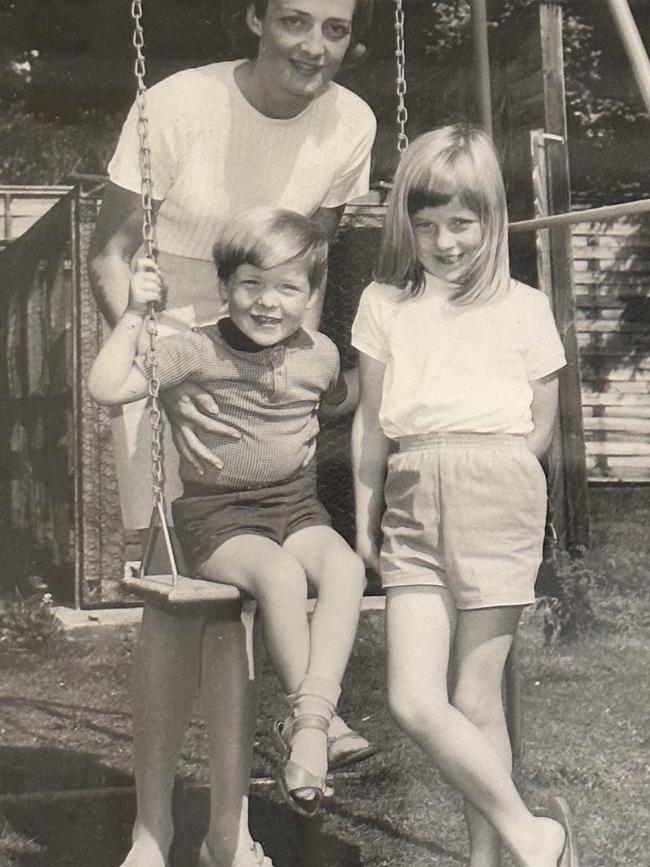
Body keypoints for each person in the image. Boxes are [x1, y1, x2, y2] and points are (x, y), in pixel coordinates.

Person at [87, 2, 376, 866]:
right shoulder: (176, 106)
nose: (313, 45)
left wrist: (282, 368)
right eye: (294, 21)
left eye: (333, 28)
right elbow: (112, 252)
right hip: (171, 341)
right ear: (254, 20)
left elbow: (311, 268)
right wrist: (167, 368)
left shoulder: (351, 122)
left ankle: (229, 829)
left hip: (266, 351)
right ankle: (151, 827)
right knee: (186, 604)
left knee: (262, 588)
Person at [351, 125, 579, 867]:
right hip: (411, 495)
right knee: (414, 698)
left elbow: (542, 422)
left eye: (461, 223)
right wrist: (364, 521)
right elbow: (370, 424)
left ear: (491, 219)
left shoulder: (523, 305)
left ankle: (490, 857)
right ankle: (535, 834)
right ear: (404, 225)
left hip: (496, 486)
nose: (445, 242)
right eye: (426, 226)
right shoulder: (385, 304)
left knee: (477, 693)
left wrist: (497, 481)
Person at [89, 207, 367, 815]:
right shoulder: (194, 350)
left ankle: (310, 722)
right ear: (224, 288)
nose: (269, 303)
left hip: (296, 507)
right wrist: (135, 314)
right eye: (251, 284)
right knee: (280, 576)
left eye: (289, 288)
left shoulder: (318, 355)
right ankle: (315, 727)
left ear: (312, 295)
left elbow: (346, 396)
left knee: (347, 569)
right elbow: (107, 389)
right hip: (219, 519)